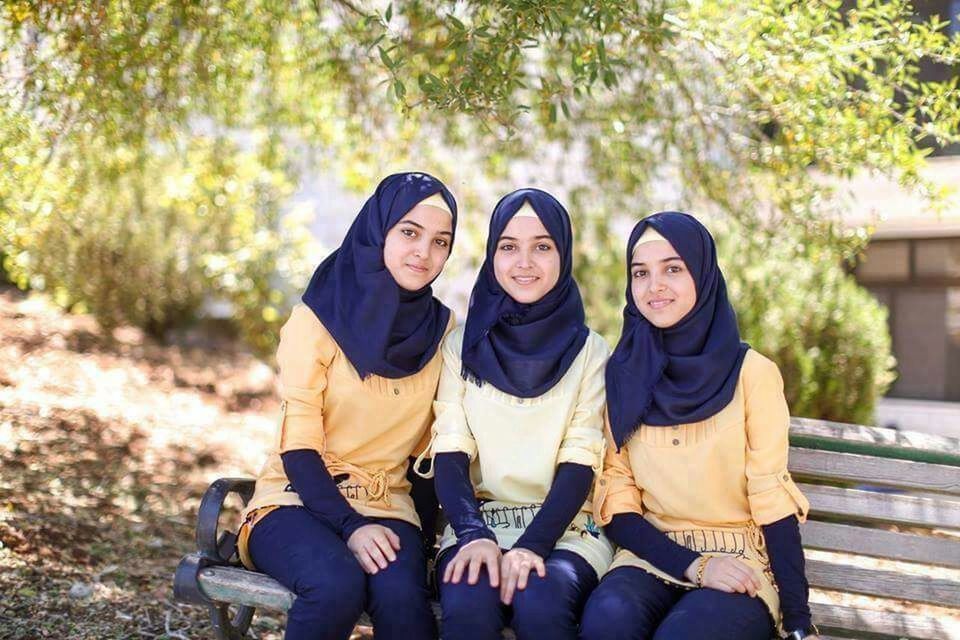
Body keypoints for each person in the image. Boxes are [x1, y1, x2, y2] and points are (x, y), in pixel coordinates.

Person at [236, 172, 458, 640]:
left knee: (404, 601)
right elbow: (298, 447)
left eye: (441, 241)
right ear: (378, 230)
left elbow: (428, 459)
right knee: (335, 583)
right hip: (295, 501)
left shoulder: (442, 333)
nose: (424, 252)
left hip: (388, 507)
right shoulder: (316, 321)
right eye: (409, 232)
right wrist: (351, 526)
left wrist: (421, 541)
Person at [580, 211, 819, 640]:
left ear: (703, 275)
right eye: (641, 273)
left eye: (673, 268)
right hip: (650, 556)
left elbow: (773, 502)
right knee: (605, 624)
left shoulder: (752, 375)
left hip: (739, 560)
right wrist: (693, 565)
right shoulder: (624, 373)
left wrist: (799, 624)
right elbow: (618, 503)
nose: (654, 286)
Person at [418, 188, 613, 640]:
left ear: (563, 255)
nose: (524, 262)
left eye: (542, 246)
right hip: (481, 524)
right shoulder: (459, 347)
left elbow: (581, 459)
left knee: (541, 602)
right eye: (509, 246)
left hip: (565, 532)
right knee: (468, 603)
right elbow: (449, 450)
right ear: (492, 255)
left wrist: (534, 546)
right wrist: (470, 533)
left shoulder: (591, 353)